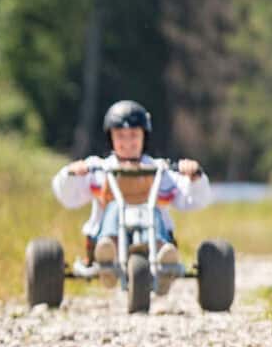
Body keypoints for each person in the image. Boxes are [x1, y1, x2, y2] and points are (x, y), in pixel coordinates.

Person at [52, 100, 212, 291]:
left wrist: (194, 177)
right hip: (106, 237)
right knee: (113, 207)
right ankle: (107, 251)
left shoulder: (160, 169)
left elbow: (193, 200)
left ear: (144, 136)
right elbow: (68, 197)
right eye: (120, 136)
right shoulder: (99, 169)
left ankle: (163, 253)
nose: (127, 142)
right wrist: (71, 173)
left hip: (152, 233)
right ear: (110, 137)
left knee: (152, 210)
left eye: (134, 135)